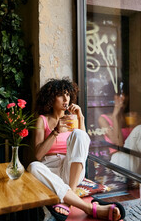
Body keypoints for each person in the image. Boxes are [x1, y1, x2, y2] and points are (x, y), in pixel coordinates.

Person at [27, 78, 125, 221]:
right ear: (50, 98)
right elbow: (38, 154)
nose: (65, 98)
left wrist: (81, 117)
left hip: (71, 169)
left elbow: (83, 145)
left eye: (67, 94)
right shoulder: (42, 120)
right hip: (50, 169)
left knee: (80, 133)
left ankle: (69, 196)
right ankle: (90, 208)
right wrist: (55, 131)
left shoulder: (72, 119)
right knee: (33, 167)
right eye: (61, 94)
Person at [98, 85, 141, 175]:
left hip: (136, 161)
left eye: (125, 95)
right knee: (140, 129)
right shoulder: (103, 119)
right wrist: (115, 116)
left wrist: (138, 121)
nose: (123, 98)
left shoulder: (130, 116)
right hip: (119, 162)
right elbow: (118, 143)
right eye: (119, 95)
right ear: (111, 97)